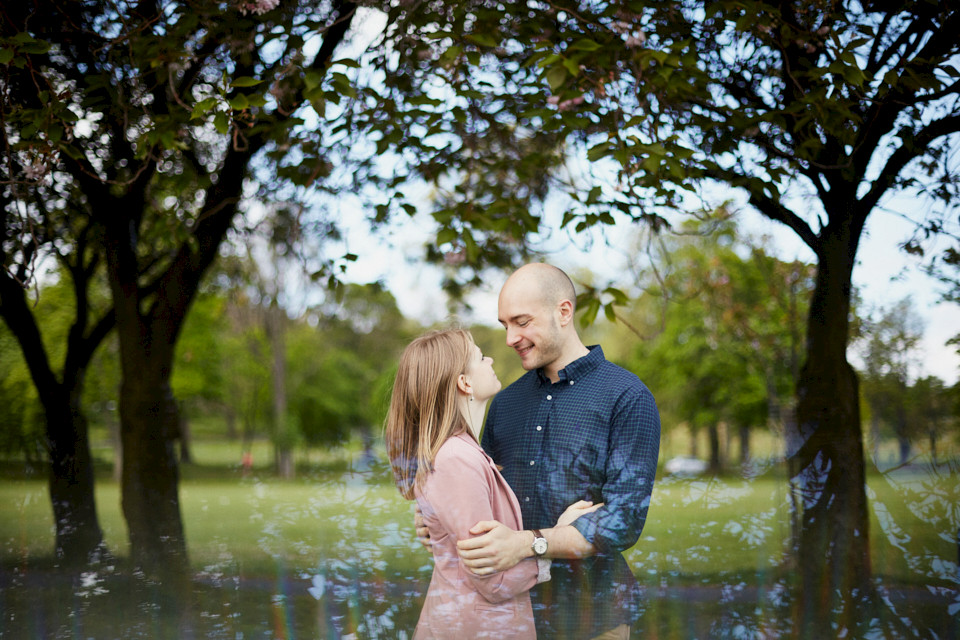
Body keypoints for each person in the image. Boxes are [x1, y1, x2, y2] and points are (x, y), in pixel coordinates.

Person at [438, 263, 661, 639]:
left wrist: (527, 542)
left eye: (522, 322)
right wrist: (438, 515)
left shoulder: (627, 396)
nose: (510, 337)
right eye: (505, 324)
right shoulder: (505, 403)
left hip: (594, 615)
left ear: (563, 312)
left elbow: (622, 520)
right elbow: (482, 494)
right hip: (509, 611)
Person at [386, 328, 600, 639]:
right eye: (479, 357)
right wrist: (558, 537)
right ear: (465, 382)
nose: (491, 359)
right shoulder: (457, 459)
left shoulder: (459, 451)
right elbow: (493, 580)